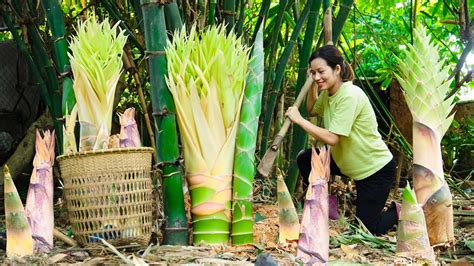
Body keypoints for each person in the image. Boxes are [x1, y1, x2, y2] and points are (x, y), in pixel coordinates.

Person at [285, 45, 398, 236]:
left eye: (321, 72)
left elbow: (332, 138)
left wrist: (299, 120)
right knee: (306, 159)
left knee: (368, 229)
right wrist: (312, 83)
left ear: (337, 69)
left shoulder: (349, 95)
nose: (317, 76)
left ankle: (406, 210)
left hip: (374, 170)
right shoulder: (329, 94)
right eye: (313, 72)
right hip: (347, 164)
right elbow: (312, 109)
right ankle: (325, 206)